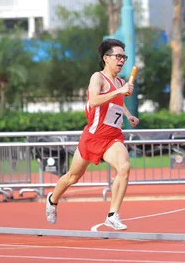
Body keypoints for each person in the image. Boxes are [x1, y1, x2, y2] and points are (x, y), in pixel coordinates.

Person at [45, 38, 139, 231]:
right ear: (106, 58)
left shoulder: (120, 81)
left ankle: (112, 215)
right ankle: (53, 199)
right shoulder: (98, 78)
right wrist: (119, 91)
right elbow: (95, 101)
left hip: (113, 137)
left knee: (124, 167)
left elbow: (118, 104)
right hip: (93, 136)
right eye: (118, 56)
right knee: (72, 176)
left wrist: (129, 116)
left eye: (124, 57)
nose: (122, 60)